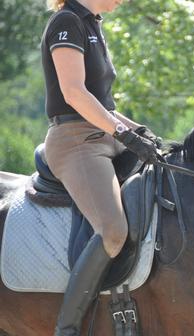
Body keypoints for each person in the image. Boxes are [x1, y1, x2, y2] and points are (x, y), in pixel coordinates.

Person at [41, 0, 159, 334]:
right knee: (112, 229)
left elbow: (105, 105)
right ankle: (68, 326)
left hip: (105, 134)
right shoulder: (66, 21)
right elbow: (74, 93)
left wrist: (141, 133)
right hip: (75, 141)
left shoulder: (94, 23)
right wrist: (124, 133)